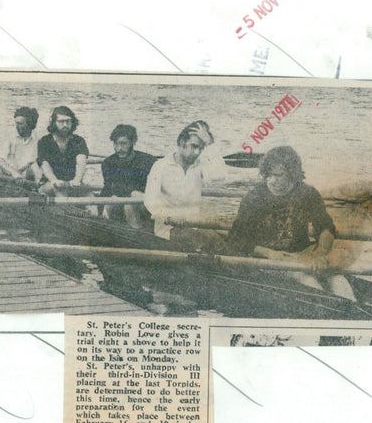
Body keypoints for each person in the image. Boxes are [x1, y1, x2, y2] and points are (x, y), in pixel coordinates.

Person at [226, 145, 356, 299]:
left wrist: (320, 253)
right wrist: (270, 253)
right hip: (268, 259)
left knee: (337, 279)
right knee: (305, 278)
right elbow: (237, 239)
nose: (273, 181)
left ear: (292, 175)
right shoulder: (254, 198)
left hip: (302, 254)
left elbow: (326, 228)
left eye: (279, 175)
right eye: (269, 175)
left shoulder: (307, 193)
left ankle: (353, 306)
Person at [144, 120, 226, 249]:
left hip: (194, 226)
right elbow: (150, 201)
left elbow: (220, 176)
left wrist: (210, 144)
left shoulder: (200, 165)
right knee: (202, 241)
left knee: (218, 242)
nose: (197, 152)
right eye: (194, 146)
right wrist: (170, 216)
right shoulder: (161, 166)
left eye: (201, 147)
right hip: (168, 229)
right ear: (182, 143)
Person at [98, 124, 157, 228]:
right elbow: (108, 188)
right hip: (121, 202)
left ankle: (137, 233)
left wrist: (128, 192)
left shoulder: (148, 161)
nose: (119, 148)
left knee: (129, 204)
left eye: (124, 143)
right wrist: (100, 209)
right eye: (116, 144)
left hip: (145, 205)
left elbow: (151, 189)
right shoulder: (108, 163)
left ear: (133, 143)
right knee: (113, 202)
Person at [37, 106, 89, 196]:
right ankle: (67, 208)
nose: (65, 125)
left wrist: (77, 179)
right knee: (59, 190)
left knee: (89, 195)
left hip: (73, 183)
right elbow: (44, 164)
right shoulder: (45, 141)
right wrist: (54, 180)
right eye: (61, 121)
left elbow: (81, 162)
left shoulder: (78, 141)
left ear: (72, 122)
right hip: (49, 183)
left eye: (68, 121)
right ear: (54, 123)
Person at [0, 107, 42, 182]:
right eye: (16, 123)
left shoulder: (38, 139)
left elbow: (37, 162)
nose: (16, 127)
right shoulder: (9, 135)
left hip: (26, 174)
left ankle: (38, 188)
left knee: (36, 167)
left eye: (20, 124)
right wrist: (14, 173)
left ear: (30, 124)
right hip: (8, 173)